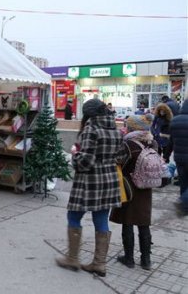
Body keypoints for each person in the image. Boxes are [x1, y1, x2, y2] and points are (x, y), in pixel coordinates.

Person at [56, 98, 122, 277]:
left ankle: (72, 259)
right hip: (109, 181)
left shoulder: (91, 129)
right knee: (101, 219)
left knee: (74, 216)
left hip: (90, 183)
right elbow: (119, 155)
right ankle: (99, 264)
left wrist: (75, 154)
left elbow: (85, 162)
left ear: (89, 114)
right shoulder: (115, 129)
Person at [110, 114, 157, 270]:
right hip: (146, 188)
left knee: (127, 220)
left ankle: (129, 258)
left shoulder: (128, 144)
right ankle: (146, 260)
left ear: (132, 128)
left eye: (127, 125)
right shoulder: (152, 142)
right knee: (144, 223)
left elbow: (117, 160)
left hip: (129, 187)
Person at [170, 98, 188, 216]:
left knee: (183, 182)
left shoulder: (174, 120)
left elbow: (171, 141)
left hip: (179, 157)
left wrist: (166, 155)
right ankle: (183, 201)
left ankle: (185, 206)